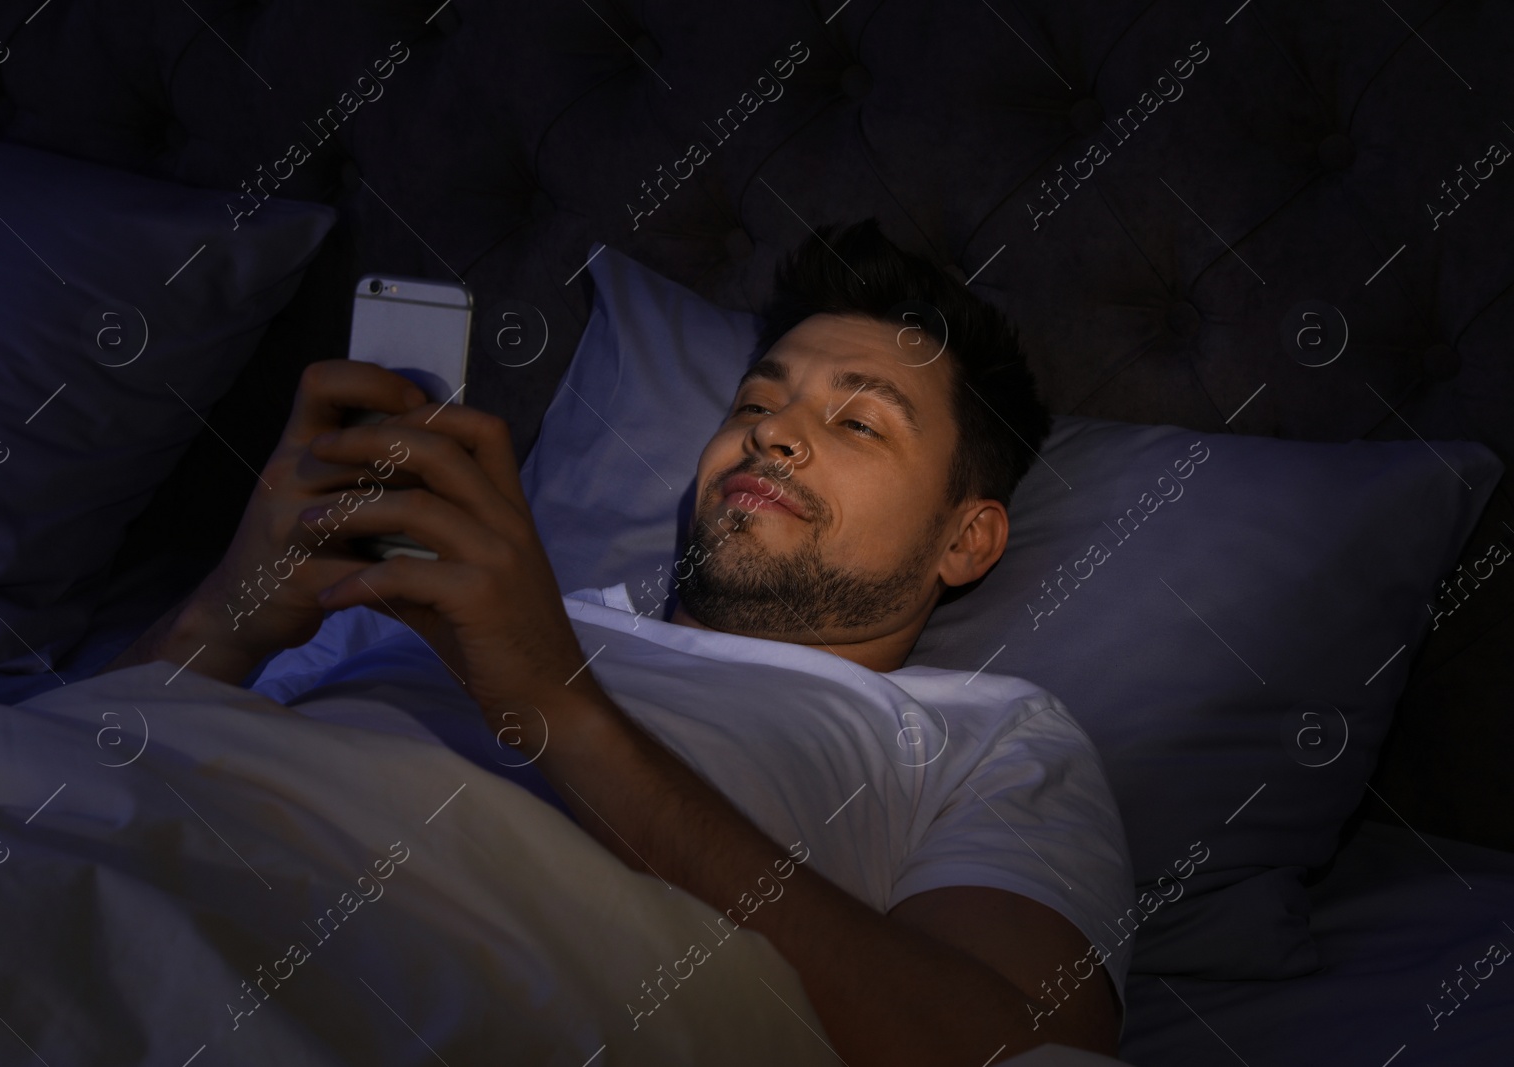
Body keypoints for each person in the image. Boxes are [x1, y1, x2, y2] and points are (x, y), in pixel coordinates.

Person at [102, 219, 1133, 1064]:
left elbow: (1010, 1049)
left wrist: (556, 707)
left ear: (967, 536)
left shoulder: (985, 735)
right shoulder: (452, 596)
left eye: (858, 422)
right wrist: (223, 616)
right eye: (755, 400)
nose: (770, 431)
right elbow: (82, 760)